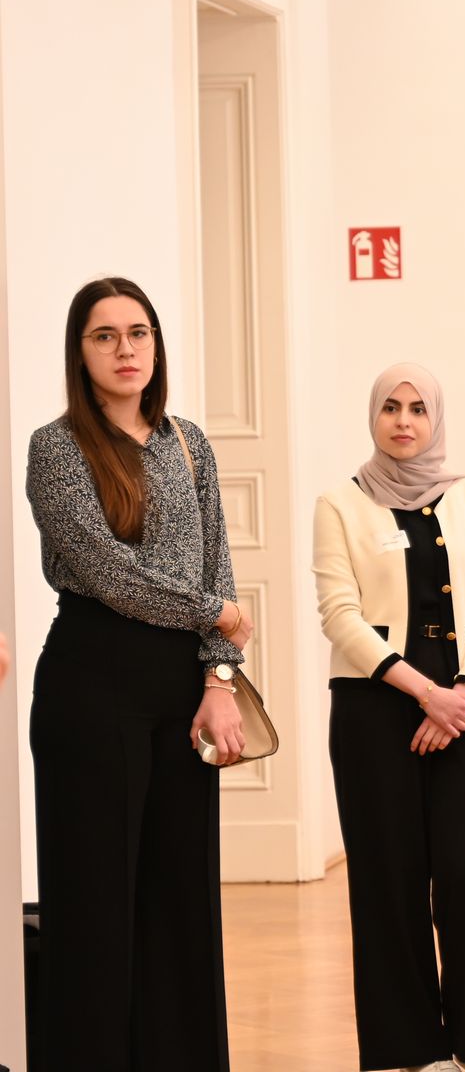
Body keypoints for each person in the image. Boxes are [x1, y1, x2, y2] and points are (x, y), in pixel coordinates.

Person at [26, 275, 249, 1070]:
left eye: (138, 332)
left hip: (183, 687)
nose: (125, 349)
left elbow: (219, 558)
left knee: (180, 903)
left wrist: (220, 679)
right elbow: (107, 573)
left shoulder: (189, 440)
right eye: (104, 335)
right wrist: (216, 615)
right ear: (80, 352)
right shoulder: (56, 447)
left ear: (156, 344)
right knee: (94, 909)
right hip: (92, 683)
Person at [313, 363, 465, 1072]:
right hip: (376, 709)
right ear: (373, 416)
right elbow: (339, 615)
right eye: (390, 407)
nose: (403, 421)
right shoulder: (339, 503)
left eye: (418, 408)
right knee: (387, 878)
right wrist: (425, 694)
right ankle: (411, 1047)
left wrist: (463, 689)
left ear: (436, 418)